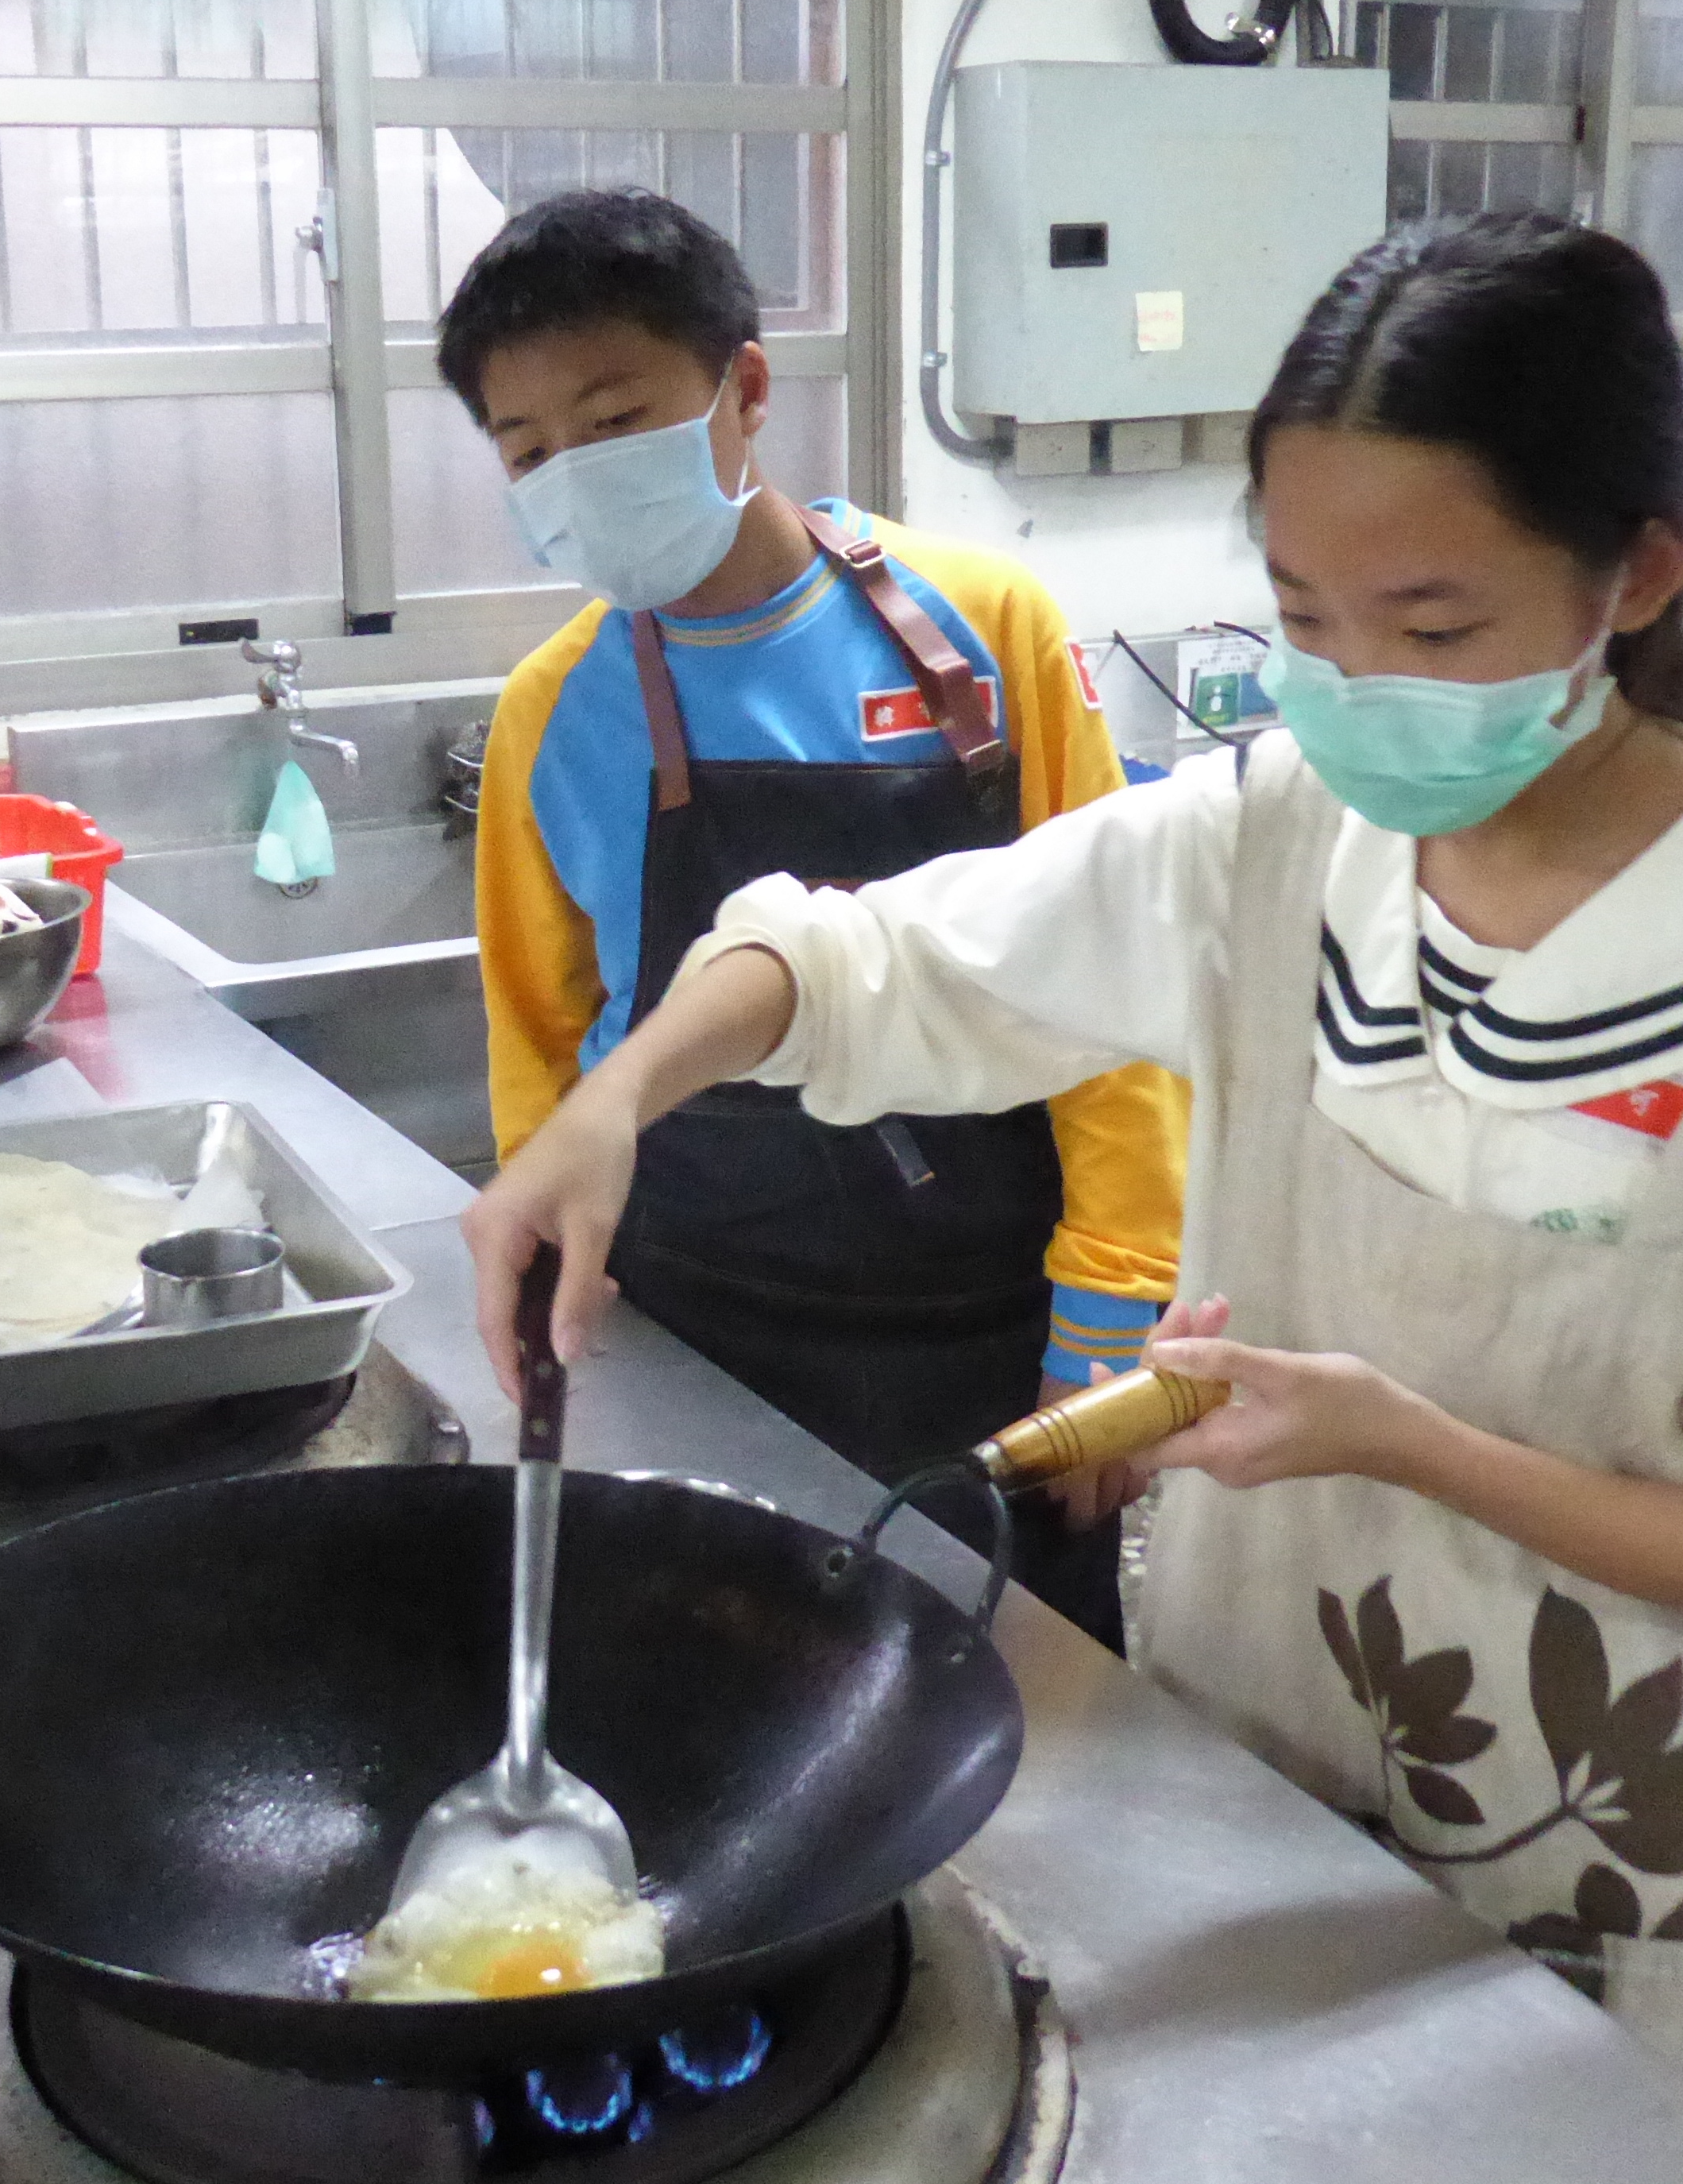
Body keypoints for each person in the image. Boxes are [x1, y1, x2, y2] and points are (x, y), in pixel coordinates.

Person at [460, 210, 1683, 2097]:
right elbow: (878, 953)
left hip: (1586, 1809)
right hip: (1235, 1747)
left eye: (1430, 623)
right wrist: (610, 1100)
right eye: (1301, 615)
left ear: (1635, 573)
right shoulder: (1279, 831)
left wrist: (1398, 1432)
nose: (1355, 679)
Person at [437, 189, 1188, 1646]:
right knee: (719, 1697)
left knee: (1012, 1720)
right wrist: (550, 1294)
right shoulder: (551, 711)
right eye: (528, 451)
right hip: (700, 1309)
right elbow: (540, 1044)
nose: (572, 475)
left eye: (612, 420)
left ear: (746, 389)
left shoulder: (981, 626)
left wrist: (1109, 1316)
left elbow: (1116, 985)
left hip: (987, 1320)